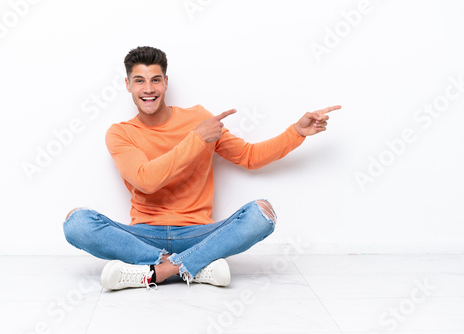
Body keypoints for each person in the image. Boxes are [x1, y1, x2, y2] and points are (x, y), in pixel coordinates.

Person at [63, 46, 340, 291]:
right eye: (140, 81)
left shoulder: (198, 118)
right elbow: (146, 180)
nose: (148, 89)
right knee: (76, 223)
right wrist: (196, 139)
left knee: (262, 214)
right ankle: (193, 267)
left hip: (198, 234)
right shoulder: (120, 133)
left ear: (166, 82)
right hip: (144, 236)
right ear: (128, 85)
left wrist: (296, 132)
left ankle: (157, 272)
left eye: (155, 80)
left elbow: (249, 156)